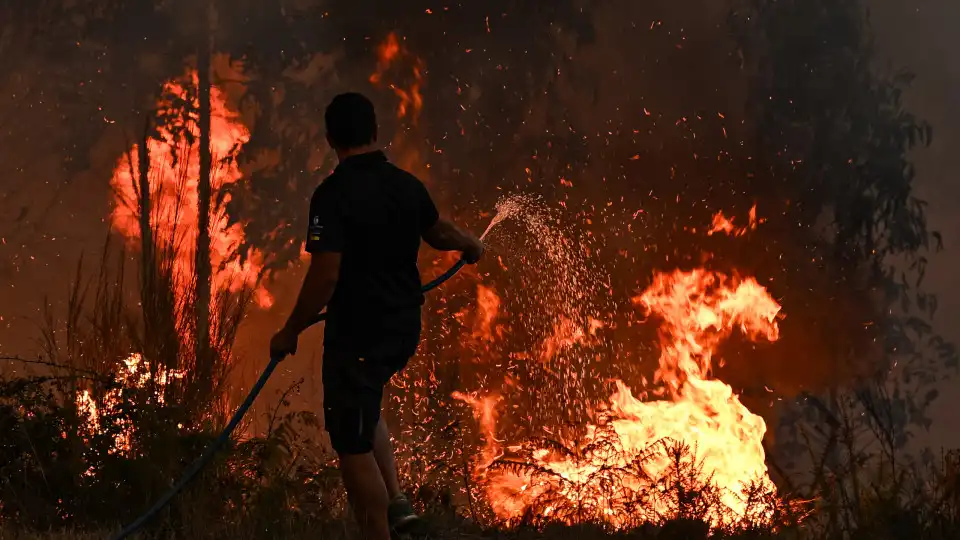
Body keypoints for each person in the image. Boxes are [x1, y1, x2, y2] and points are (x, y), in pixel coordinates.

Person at [269, 92, 484, 540]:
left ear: (331, 139)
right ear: (375, 132)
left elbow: (326, 275)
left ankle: (378, 528)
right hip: (402, 328)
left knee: (350, 441)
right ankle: (399, 503)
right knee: (366, 403)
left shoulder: (332, 195)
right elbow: (438, 230)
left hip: (358, 334)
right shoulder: (406, 185)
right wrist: (469, 243)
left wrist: (289, 330)